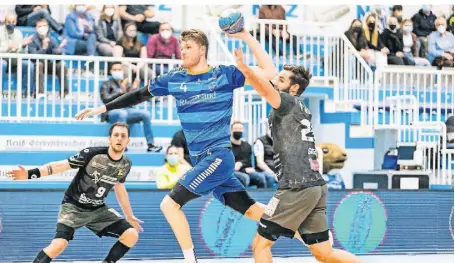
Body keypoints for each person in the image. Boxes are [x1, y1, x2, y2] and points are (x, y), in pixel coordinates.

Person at [75, 27, 278, 263]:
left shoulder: (225, 74)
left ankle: (190, 260)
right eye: (181, 48)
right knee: (252, 210)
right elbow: (139, 95)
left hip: (219, 157)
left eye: (189, 47)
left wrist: (246, 36)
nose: (183, 52)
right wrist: (104, 108)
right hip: (204, 161)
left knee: (169, 205)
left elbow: (270, 71)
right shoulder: (175, 78)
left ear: (202, 50)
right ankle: (304, 230)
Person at [232, 47, 363, 263]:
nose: (275, 81)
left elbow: (264, 91)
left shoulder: (286, 102)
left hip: (297, 186)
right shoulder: (299, 106)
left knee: (260, 245)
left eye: (281, 79)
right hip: (315, 186)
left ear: (293, 88)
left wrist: (245, 68)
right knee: (324, 254)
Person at [7, 123, 143, 263]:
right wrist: (30, 174)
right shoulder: (93, 154)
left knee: (131, 234)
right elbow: (61, 165)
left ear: (128, 141)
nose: (119, 138)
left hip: (98, 209)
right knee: (59, 244)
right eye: (116, 135)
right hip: (73, 206)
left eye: (123, 136)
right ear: (110, 139)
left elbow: (120, 187)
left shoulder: (126, 164)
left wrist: (129, 215)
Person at [100, 62, 162, 152]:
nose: (117, 71)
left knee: (146, 114)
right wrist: (120, 91)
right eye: (115, 69)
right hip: (111, 112)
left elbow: (133, 101)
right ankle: (121, 145)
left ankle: (150, 144)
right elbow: (105, 99)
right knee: (122, 113)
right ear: (110, 71)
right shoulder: (106, 84)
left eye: (119, 69)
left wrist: (134, 90)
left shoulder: (126, 83)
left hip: (127, 111)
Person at [28, 18, 68, 96]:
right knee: (39, 64)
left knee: (61, 65)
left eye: (44, 26)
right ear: (36, 28)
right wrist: (43, 48)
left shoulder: (51, 39)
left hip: (49, 64)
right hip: (38, 65)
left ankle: (65, 93)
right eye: (40, 26)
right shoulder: (32, 40)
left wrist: (58, 50)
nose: (42, 28)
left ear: (47, 27)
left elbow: (56, 57)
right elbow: (33, 57)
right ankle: (40, 92)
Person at [231, 121, 276, 188]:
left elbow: (247, 162)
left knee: (263, 177)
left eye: (240, 129)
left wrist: (241, 164)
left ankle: (264, 197)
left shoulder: (247, 146)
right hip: (231, 172)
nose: (238, 130)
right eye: (236, 129)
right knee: (245, 178)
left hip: (245, 170)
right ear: (231, 130)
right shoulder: (227, 147)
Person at [0, 13, 35, 96]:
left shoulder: (18, 33)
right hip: (3, 60)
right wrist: (7, 48)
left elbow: (21, 52)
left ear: (16, 22)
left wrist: (23, 46)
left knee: (29, 65)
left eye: (13, 22)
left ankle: (27, 93)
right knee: (2, 64)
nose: (11, 24)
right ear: (5, 22)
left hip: (15, 61)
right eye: (8, 22)